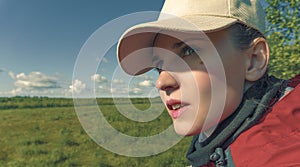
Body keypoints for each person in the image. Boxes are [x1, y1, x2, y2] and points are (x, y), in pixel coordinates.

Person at [117, 0, 300, 166]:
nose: (161, 82)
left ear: (254, 60)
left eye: (188, 51)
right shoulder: (217, 145)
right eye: (159, 66)